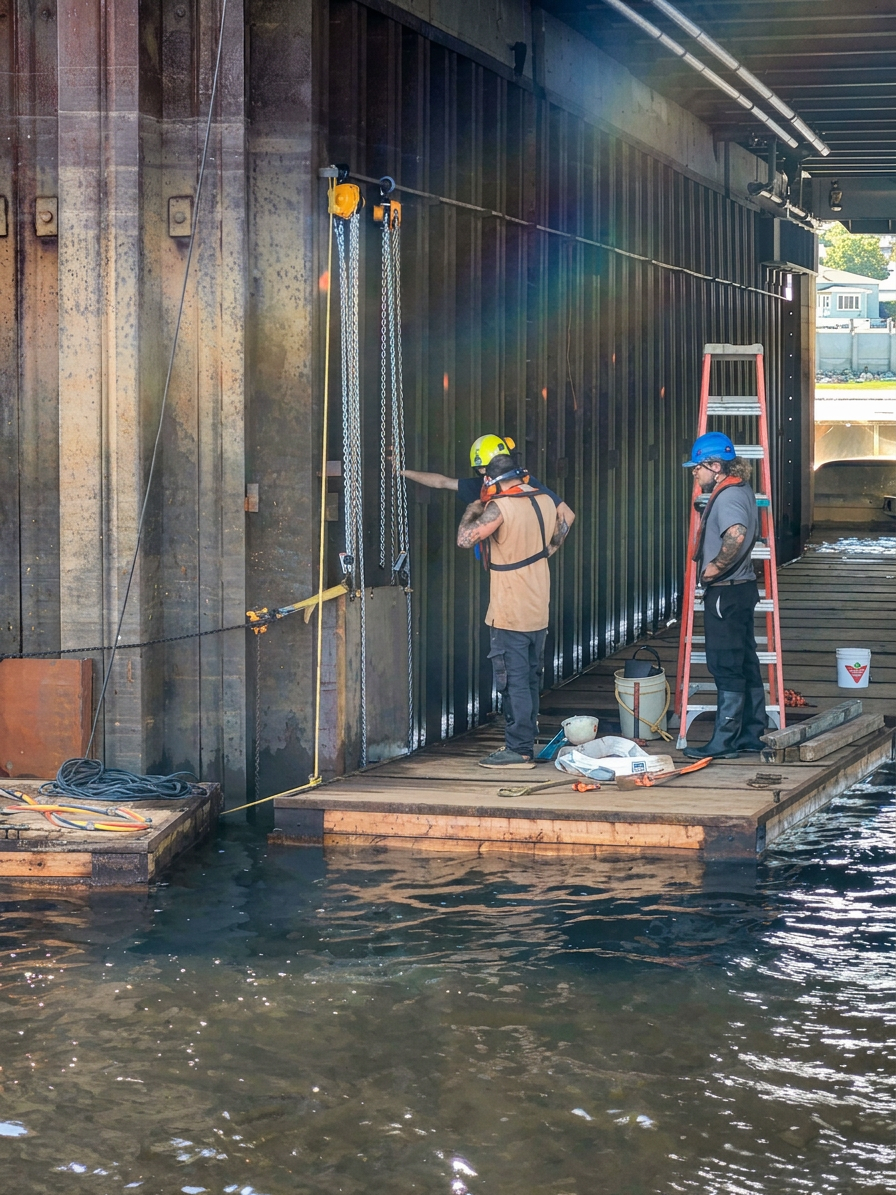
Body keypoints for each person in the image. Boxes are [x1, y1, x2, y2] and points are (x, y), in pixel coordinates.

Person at [455, 452, 571, 769]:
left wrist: (471, 510)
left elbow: (465, 539)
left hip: (510, 608)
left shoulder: (500, 506)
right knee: (531, 678)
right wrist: (548, 550)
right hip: (537, 605)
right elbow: (567, 520)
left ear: (491, 482)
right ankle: (525, 738)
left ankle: (518, 750)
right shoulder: (546, 500)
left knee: (513, 680)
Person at [680, 431, 767, 760]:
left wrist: (714, 567)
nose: (694, 472)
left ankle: (725, 742)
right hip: (742, 590)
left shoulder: (728, 497)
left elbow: (736, 533)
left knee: (725, 666)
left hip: (726, 594)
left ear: (715, 465)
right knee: (746, 662)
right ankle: (751, 734)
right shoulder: (739, 488)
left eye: (698, 466)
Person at [401, 434, 576, 531]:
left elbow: (567, 514)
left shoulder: (530, 486)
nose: (485, 476)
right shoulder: (482, 485)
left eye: (487, 470)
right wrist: (402, 472)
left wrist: (547, 550)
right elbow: (441, 482)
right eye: (481, 471)